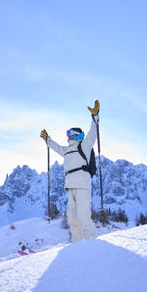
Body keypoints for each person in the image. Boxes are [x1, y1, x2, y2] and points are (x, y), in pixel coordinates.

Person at [40, 100, 100, 242]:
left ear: (77, 134)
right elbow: (56, 147)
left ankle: (93, 242)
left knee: (84, 216)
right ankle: (77, 244)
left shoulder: (84, 146)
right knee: (72, 218)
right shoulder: (67, 150)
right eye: (67, 133)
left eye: (70, 133)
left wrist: (95, 117)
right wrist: (47, 140)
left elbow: (93, 134)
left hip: (82, 185)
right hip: (70, 186)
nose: (67, 135)